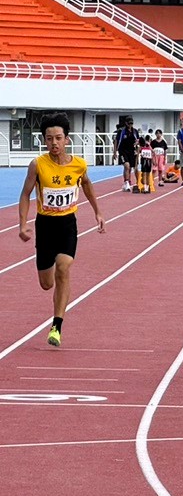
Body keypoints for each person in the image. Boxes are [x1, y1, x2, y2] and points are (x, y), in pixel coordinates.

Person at [17, 112, 106, 347]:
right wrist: (23, 224)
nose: (54, 143)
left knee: (64, 268)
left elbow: (86, 184)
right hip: (45, 226)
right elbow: (25, 194)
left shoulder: (78, 165)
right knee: (47, 283)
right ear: (44, 140)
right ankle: (54, 291)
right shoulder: (37, 165)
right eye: (49, 139)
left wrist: (97, 211)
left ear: (67, 139)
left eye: (58, 138)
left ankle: (57, 326)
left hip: (67, 224)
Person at [114, 117, 140, 192]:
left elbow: (138, 141)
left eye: (132, 123)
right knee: (126, 165)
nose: (130, 125)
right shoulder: (121, 131)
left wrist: (137, 150)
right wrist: (115, 152)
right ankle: (127, 183)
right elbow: (116, 141)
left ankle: (135, 181)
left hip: (132, 151)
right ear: (126, 123)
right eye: (129, 123)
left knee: (133, 168)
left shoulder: (135, 131)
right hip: (123, 151)